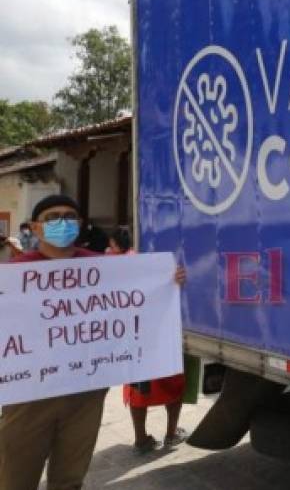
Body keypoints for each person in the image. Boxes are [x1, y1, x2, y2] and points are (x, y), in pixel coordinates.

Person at [0, 194, 186, 490]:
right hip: (29, 398)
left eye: (69, 217)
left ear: (81, 225)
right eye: (52, 218)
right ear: (35, 228)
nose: (63, 223)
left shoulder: (101, 268)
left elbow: (139, 297)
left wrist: (168, 281)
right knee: (17, 479)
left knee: (71, 477)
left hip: (85, 393)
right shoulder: (14, 274)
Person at [109, 226, 187, 453]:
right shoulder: (156, 261)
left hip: (138, 338)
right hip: (161, 334)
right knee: (172, 383)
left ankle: (141, 438)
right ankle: (171, 434)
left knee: (139, 389)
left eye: (112, 245)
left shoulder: (118, 265)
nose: (110, 249)